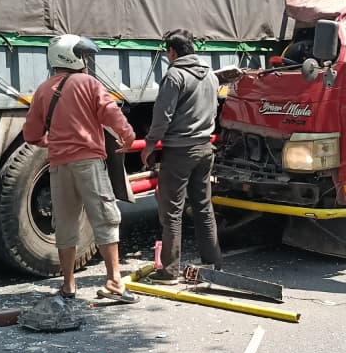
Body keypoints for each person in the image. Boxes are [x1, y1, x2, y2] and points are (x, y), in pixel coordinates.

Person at [23, 34, 139, 304]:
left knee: (64, 223)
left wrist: (49, 140)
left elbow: (31, 134)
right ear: (71, 56)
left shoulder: (42, 90)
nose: (87, 61)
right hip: (88, 162)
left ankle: (68, 285)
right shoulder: (89, 83)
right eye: (83, 56)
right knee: (105, 217)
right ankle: (113, 281)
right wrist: (128, 135)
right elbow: (111, 113)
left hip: (59, 165)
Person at [140, 28, 223, 284]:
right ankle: (213, 262)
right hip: (205, 148)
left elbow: (162, 116)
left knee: (172, 212)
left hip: (179, 151)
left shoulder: (174, 76)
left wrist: (150, 145)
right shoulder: (210, 74)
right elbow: (214, 110)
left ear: (172, 52)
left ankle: (169, 271)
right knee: (203, 207)